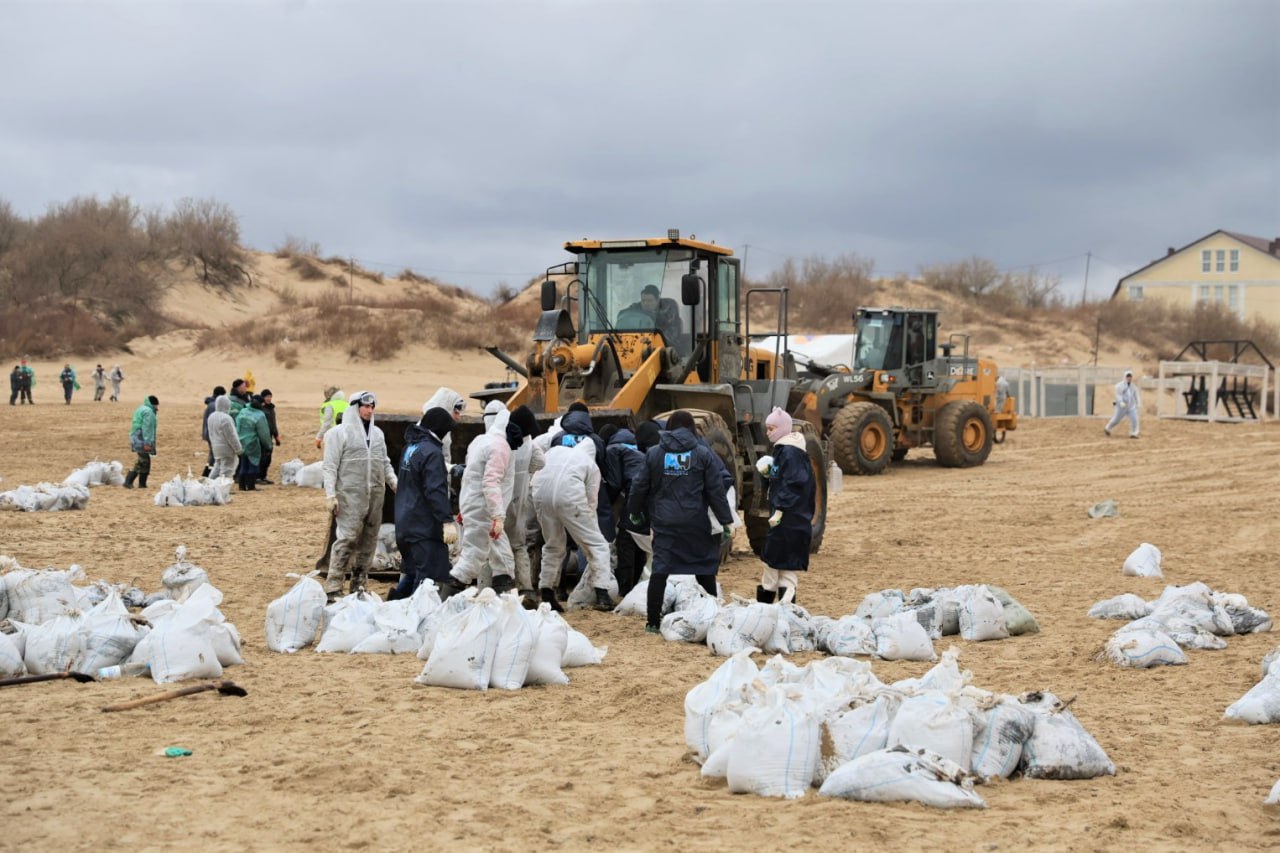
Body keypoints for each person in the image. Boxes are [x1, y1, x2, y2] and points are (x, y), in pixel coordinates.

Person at [628, 410, 734, 634]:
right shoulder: (703, 454)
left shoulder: (655, 454)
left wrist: (634, 511)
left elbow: (639, 486)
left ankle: (653, 622)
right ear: (691, 430)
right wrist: (726, 521)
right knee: (704, 567)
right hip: (696, 521)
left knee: (660, 570)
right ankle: (711, 614)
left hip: (664, 522)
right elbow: (715, 491)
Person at [322, 391, 397, 600]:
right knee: (347, 538)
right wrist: (330, 494)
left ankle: (359, 584)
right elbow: (329, 466)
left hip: (375, 495)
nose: (369, 410)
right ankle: (334, 585)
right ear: (355, 407)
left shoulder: (378, 434)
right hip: (349, 495)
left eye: (372, 407)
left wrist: (393, 481)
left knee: (370, 539)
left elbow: (384, 462)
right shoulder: (338, 434)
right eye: (365, 406)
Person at [443, 402, 523, 596]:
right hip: (487, 511)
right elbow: (490, 482)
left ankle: (502, 603)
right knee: (474, 559)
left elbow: (471, 479)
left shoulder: (479, 441)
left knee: (500, 560)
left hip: (476, 507)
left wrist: (464, 509)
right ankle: (444, 599)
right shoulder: (500, 447)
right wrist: (498, 517)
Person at [532, 438, 613, 612]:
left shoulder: (556, 451)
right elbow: (592, 501)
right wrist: (587, 525)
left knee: (553, 545)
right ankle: (602, 594)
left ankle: (546, 592)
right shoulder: (591, 465)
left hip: (541, 494)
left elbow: (538, 469)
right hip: (570, 497)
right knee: (598, 544)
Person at [388, 407, 458, 600]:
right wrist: (446, 520)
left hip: (405, 524)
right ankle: (410, 616)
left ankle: (392, 607)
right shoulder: (432, 453)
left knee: (411, 573)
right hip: (423, 527)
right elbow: (434, 491)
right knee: (426, 579)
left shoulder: (411, 447)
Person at [753, 408, 815, 604]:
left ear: (782, 428)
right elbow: (781, 481)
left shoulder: (791, 453)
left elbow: (792, 485)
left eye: (771, 428)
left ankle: (766, 606)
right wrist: (767, 476)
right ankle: (784, 608)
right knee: (785, 563)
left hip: (790, 518)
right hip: (788, 517)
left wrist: (780, 509)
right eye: (767, 429)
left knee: (773, 561)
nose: (768, 432)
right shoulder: (783, 451)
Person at [504, 405, 546, 602]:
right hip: (520, 500)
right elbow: (541, 462)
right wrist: (527, 471)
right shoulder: (529, 442)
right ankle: (527, 589)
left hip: (501, 500)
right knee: (520, 545)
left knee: (495, 546)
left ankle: (500, 588)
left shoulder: (501, 441)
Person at [605, 423, 649, 597]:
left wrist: (606, 502)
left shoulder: (613, 449)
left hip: (636, 493)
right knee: (638, 538)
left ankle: (624, 590)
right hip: (650, 494)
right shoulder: (637, 449)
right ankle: (636, 587)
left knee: (626, 538)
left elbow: (615, 482)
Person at [234, 394, 272, 491]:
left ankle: (242, 486)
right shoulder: (259, 415)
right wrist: (268, 446)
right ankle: (251, 485)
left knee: (243, 462)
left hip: (240, 441)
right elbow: (264, 433)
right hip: (253, 443)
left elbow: (237, 425)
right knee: (253, 463)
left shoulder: (243, 411)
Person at [123, 395, 159, 489]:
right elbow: (147, 428)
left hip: (136, 436)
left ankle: (142, 484)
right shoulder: (148, 412)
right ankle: (129, 481)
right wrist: (147, 443)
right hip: (141, 438)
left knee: (145, 460)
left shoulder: (142, 408)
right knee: (142, 461)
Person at [206, 395, 242, 480]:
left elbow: (211, 433)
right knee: (227, 471)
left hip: (216, 447)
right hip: (227, 448)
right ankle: (222, 489)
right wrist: (238, 449)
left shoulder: (212, 416)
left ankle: (209, 485)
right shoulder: (226, 418)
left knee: (217, 468)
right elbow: (231, 436)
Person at [1105, 370, 1141, 439]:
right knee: (1116, 420)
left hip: (1131, 406)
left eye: (1130, 376)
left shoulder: (1133, 386)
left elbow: (1137, 395)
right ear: (1125, 377)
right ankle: (1108, 428)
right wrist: (1121, 402)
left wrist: (1138, 403)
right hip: (1121, 406)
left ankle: (1134, 433)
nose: (1129, 378)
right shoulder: (1119, 386)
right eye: (1128, 376)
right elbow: (1118, 395)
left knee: (1134, 419)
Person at [201, 385, 227, 476]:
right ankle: (207, 474)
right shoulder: (214, 405)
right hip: (212, 434)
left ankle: (207, 474)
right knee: (214, 456)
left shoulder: (211, 404)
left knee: (212, 455)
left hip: (208, 433)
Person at [257, 389, 281, 484]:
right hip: (262, 436)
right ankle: (258, 477)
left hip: (270, 435)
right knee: (262, 457)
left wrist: (276, 436)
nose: (269, 398)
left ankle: (263, 476)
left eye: (270, 396)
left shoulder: (271, 408)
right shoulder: (261, 409)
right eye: (267, 396)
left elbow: (273, 424)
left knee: (268, 458)